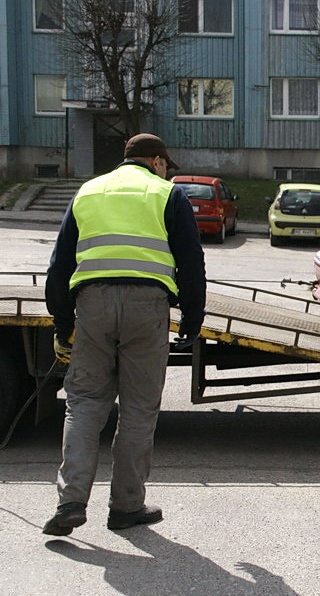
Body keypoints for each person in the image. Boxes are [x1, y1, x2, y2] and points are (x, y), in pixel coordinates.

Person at [42, 133, 206, 535]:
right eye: (166, 164)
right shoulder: (167, 195)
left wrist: (64, 325)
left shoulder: (88, 192)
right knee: (138, 408)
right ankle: (126, 507)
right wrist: (192, 318)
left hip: (92, 304)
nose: (166, 170)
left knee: (82, 404)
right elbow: (190, 260)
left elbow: (59, 264)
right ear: (156, 162)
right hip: (147, 306)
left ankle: (71, 502)